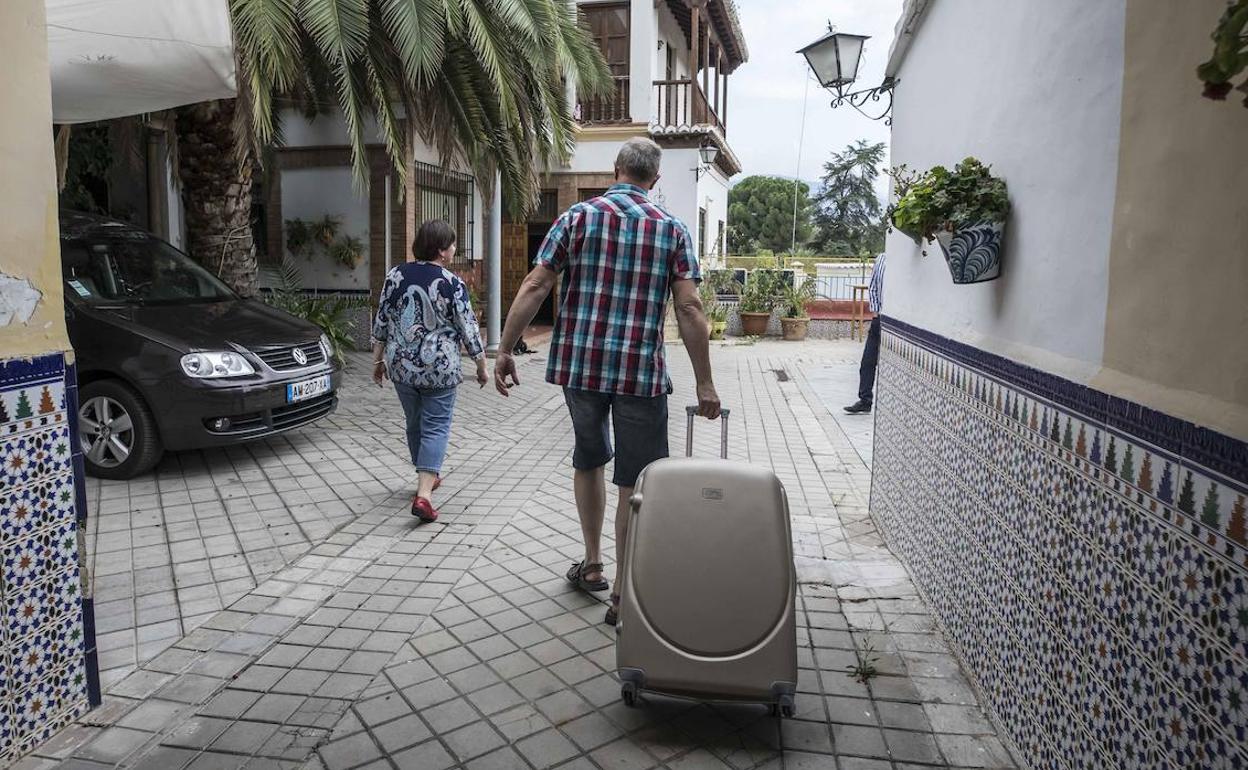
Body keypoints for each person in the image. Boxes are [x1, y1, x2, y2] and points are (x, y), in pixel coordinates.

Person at [494, 137, 721, 626]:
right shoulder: (672, 229)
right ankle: (622, 591)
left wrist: (506, 348)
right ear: (655, 179)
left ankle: (593, 563)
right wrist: (705, 383)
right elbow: (689, 307)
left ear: (616, 169)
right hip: (640, 373)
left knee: (590, 458)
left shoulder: (576, 218)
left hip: (582, 368)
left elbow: (536, 284)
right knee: (635, 480)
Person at [371, 220, 488, 522]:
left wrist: (377, 360)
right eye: (452, 244)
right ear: (441, 250)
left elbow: (382, 319)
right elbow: (468, 327)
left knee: (415, 423)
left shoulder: (395, 275)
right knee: (435, 426)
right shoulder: (452, 283)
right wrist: (481, 365)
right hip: (440, 368)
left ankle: (427, 474)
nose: (454, 249)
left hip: (401, 367)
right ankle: (424, 494)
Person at [844, 252, 887, 414]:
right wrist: (875, 313)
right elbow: (873, 287)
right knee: (867, 361)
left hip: (896, 320)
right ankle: (865, 400)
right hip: (879, 319)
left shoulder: (902, 260)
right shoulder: (881, 259)